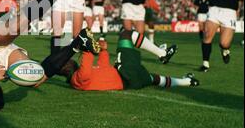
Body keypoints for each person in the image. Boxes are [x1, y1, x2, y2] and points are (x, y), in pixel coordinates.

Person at [61, 30, 199, 91]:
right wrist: (87, 50)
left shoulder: (78, 77)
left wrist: (103, 50)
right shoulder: (76, 79)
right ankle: (162, 54)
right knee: (126, 34)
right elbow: (84, 74)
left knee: (153, 79)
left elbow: (103, 67)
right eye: (64, 61)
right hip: (124, 73)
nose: (67, 59)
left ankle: (187, 81)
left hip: (130, 81)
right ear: (66, 69)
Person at [199, 0, 244, 72]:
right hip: (214, 10)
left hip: (229, 13)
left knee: (224, 43)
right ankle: (205, 64)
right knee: (207, 35)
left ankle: (225, 50)